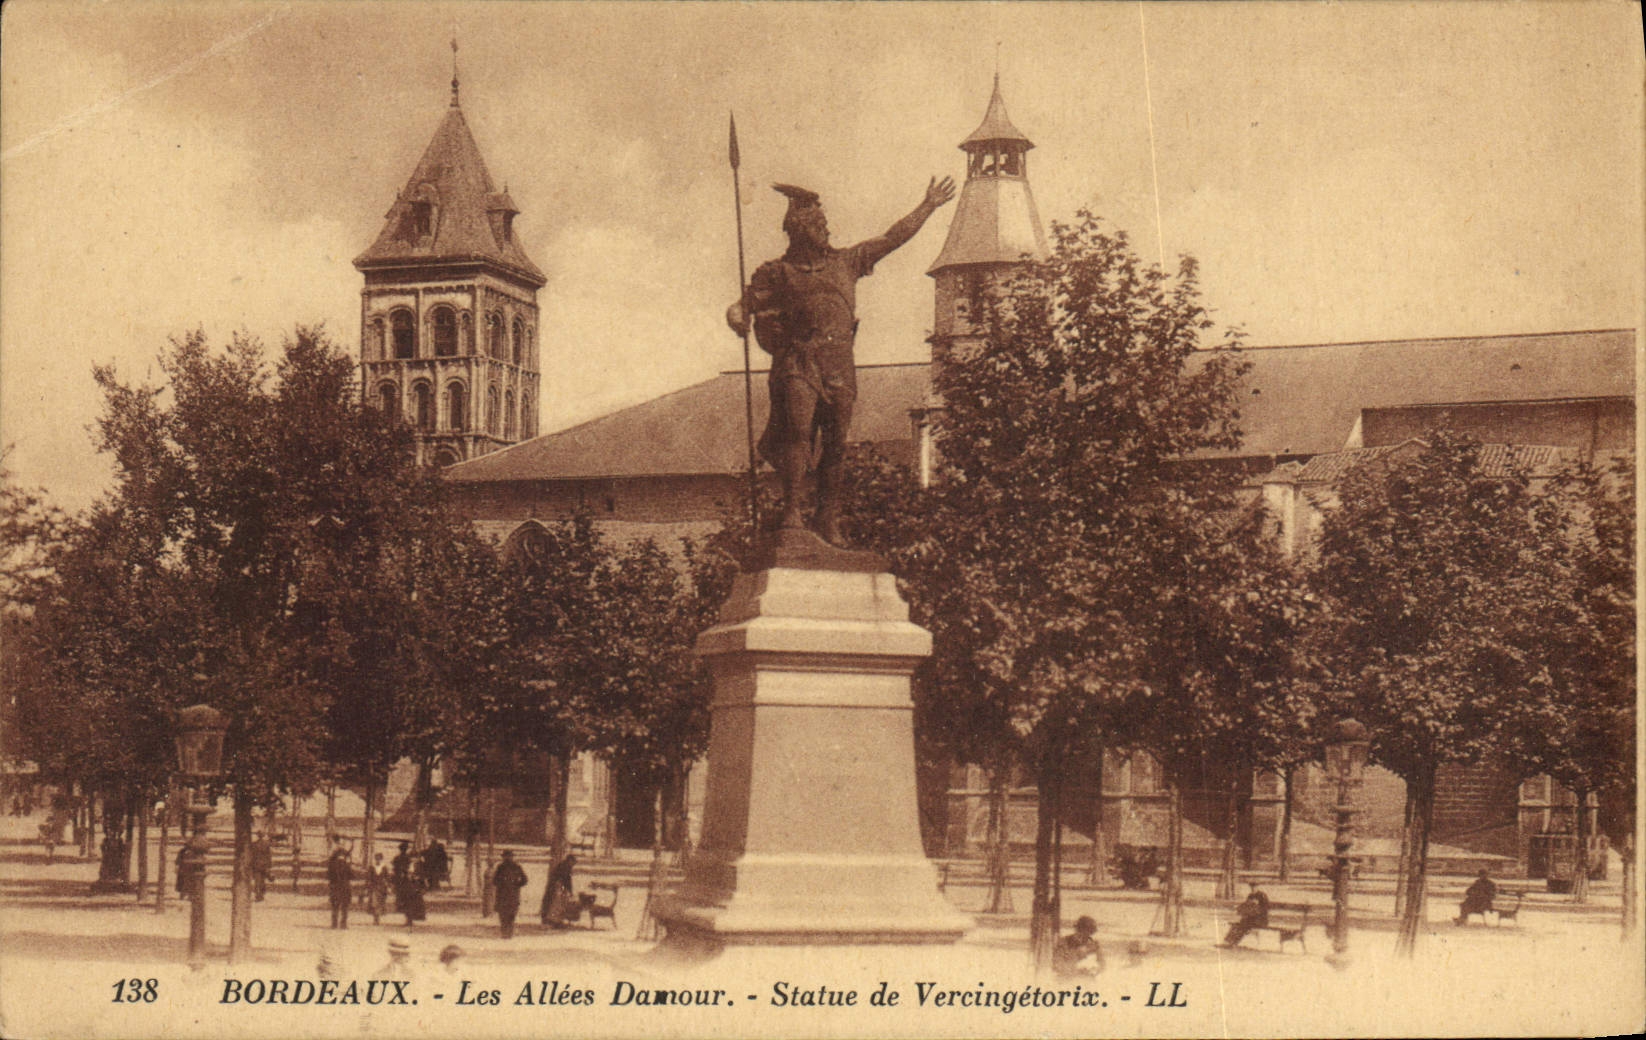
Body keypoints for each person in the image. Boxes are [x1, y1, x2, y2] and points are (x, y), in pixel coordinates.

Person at [726, 176, 955, 544]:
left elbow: (892, 238)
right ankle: (791, 513)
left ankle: (827, 518)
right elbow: (743, 305)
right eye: (818, 227)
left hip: (839, 367)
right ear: (799, 232)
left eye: (824, 226)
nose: (825, 232)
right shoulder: (777, 273)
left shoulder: (847, 262)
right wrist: (737, 315)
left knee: (835, 443)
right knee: (798, 433)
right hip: (799, 363)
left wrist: (928, 205)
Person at [1219, 882, 1270, 948]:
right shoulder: (1250, 896)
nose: (1253, 889)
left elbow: (1265, 908)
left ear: (1258, 887)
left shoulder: (1262, 895)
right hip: (1251, 918)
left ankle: (1234, 942)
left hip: (1260, 919)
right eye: (1251, 887)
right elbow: (1246, 906)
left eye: (1254, 887)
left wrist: (1257, 906)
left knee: (1243, 926)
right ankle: (1227, 941)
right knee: (1236, 925)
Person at [491, 850, 529, 939]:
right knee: (504, 915)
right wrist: (516, 885)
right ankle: (505, 933)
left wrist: (517, 885)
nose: (507, 858)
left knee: (510, 915)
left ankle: (508, 933)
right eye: (506, 856)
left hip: (510, 895)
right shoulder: (501, 867)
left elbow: (525, 880)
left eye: (509, 856)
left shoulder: (516, 867)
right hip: (506, 895)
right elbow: (494, 881)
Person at [540, 853, 577, 928]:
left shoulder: (565, 866)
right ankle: (552, 921)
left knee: (559, 905)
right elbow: (566, 880)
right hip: (557, 887)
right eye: (573, 862)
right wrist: (569, 890)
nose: (573, 865)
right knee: (556, 904)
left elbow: (567, 880)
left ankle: (556, 921)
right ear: (569, 861)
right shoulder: (564, 867)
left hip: (559, 887)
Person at [326, 840, 353, 929]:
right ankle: (342, 923)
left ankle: (336, 923)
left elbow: (328, 875)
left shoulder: (333, 863)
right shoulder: (345, 863)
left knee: (337, 905)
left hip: (337, 886)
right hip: (343, 886)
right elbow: (351, 875)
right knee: (342, 906)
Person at [367, 852, 390, 925]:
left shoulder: (384, 868)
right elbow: (369, 877)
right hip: (374, 887)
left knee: (380, 903)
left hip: (382, 888)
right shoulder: (372, 867)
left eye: (379, 859)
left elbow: (387, 877)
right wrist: (369, 884)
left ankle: (378, 918)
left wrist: (387, 885)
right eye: (376, 859)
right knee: (374, 903)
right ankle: (375, 919)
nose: (378, 861)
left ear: (381, 860)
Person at [251, 833, 272, 902]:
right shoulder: (266, 844)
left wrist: (251, 865)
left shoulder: (254, 844)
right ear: (263, 836)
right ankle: (262, 894)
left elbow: (252, 856)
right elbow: (269, 855)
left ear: (258, 836)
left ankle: (258, 895)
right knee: (262, 880)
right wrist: (269, 866)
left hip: (256, 865)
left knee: (257, 881)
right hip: (264, 865)